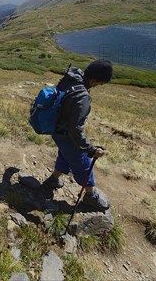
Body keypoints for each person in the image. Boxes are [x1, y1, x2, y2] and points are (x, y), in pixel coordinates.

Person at [42, 59, 113, 212]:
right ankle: (90, 197)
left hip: (56, 130)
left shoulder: (71, 78)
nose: (99, 86)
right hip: (67, 135)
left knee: (65, 155)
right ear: (95, 79)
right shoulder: (82, 96)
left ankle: (53, 180)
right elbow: (75, 130)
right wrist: (91, 150)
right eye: (100, 83)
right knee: (83, 164)